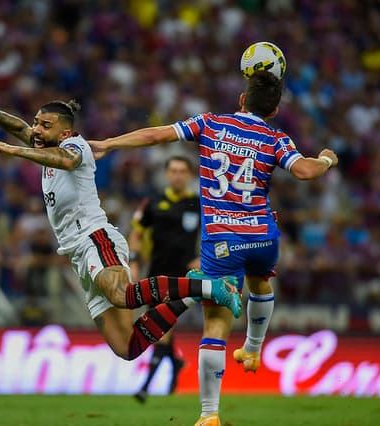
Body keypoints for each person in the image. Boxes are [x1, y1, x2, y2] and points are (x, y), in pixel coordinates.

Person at [89, 70, 339, 426]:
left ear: (241, 99)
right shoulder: (276, 137)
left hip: (222, 241)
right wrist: (328, 159)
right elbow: (304, 171)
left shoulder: (209, 123)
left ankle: (209, 414)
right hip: (263, 236)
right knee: (260, 282)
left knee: (216, 324)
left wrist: (110, 143)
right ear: (274, 110)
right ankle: (253, 348)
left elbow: (157, 134)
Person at [0, 81, 241, 363]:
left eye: (45, 125)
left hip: (95, 237)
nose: (37, 130)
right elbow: (19, 128)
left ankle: (211, 287)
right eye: (37, 123)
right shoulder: (46, 143)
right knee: (127, 347)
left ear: (65, 131)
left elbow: (67, 162)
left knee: (121, 295)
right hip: (76, 252)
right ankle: (192, 294)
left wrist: (15, 151)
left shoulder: (74, 145)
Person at [130, 155, 201, 403]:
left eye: (182, 171)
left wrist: (203, 258)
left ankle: (145, 387)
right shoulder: (153, 202)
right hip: (156, 275)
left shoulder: (197, 204)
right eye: (174, 171)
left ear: (189, 175)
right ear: (167, 174)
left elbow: (214, 236)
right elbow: (136, 233)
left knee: (162, 328)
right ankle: (176, 362)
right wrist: (134, 260)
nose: (178, 175)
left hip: (184, 279)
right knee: (162, 327)